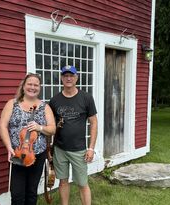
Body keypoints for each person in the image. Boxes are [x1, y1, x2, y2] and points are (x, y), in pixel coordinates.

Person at [0, 73, 56, 205]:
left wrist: (39, 127)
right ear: (23, 86)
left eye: (36, 85)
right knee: (17, 194)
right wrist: (9, 147)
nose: (32, 87)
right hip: (17, 154)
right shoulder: (12, 104)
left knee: (31, 192)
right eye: (29, 84)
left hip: (38, 155)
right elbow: (2, 127)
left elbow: (52, 129)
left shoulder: (44, 107)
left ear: (39, 88)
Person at [49, 65, 98, 205]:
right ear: (61, 78)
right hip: (60, 149)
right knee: (63, 181)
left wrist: (91, 148)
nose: (68, 78)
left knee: (82, 183)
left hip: (79, 150)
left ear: (77, 78)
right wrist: (50, 149)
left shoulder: (86, 98)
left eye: (71, 75)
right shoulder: (55, 100)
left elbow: (94, 123)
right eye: (65, 75)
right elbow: (51, 125)